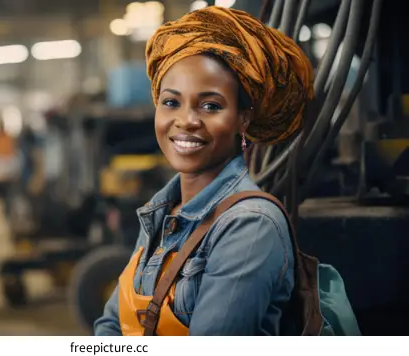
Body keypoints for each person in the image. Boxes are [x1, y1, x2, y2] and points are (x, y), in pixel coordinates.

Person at [94, 6, 313, 336]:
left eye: (211, 105)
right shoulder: (161, 211)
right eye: (171, 102)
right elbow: (110, 326)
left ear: (243, 119)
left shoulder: (250, 226)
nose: (186, 120)